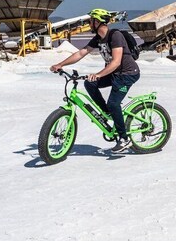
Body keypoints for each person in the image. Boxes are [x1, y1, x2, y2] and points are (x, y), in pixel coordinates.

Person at [50, 8, 141, 153]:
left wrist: (99, 74)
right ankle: (107, 113)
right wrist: (60, 65)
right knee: (89, 83)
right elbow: (81, 52)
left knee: (113, 102)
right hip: (114, 74)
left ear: (97, 21)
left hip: (127, 74)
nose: (88, 24)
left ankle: (124, 139)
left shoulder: (115, 36)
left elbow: (116, 62)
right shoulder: (98, 38)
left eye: (90, 21)